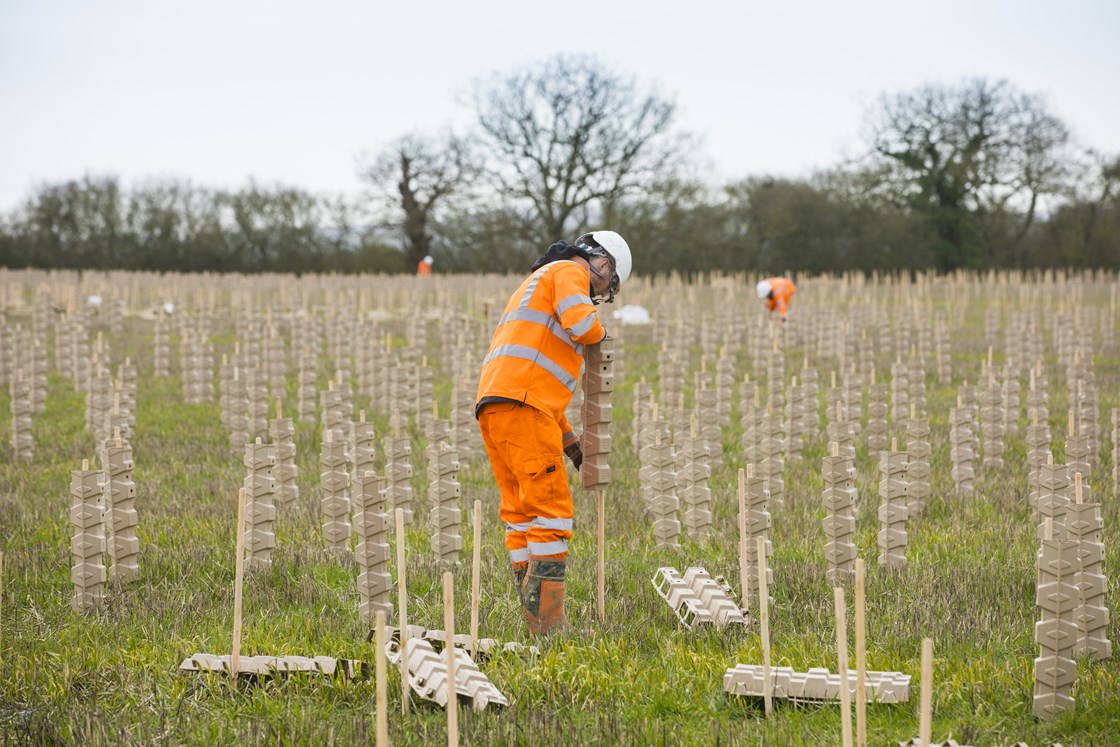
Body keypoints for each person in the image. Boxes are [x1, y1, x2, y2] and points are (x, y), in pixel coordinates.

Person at [475, 230, 632, 635]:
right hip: (524, 405)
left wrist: (572, 445)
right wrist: (602, 337)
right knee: (551, 512)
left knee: (521, 513)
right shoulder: (567, 271)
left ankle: (533, 618)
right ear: (602, 263)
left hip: (499, 405)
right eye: (608, 284)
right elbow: (583, 325)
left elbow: (536, 381)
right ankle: (547, 628)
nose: (601, 294)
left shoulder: (536, 284)